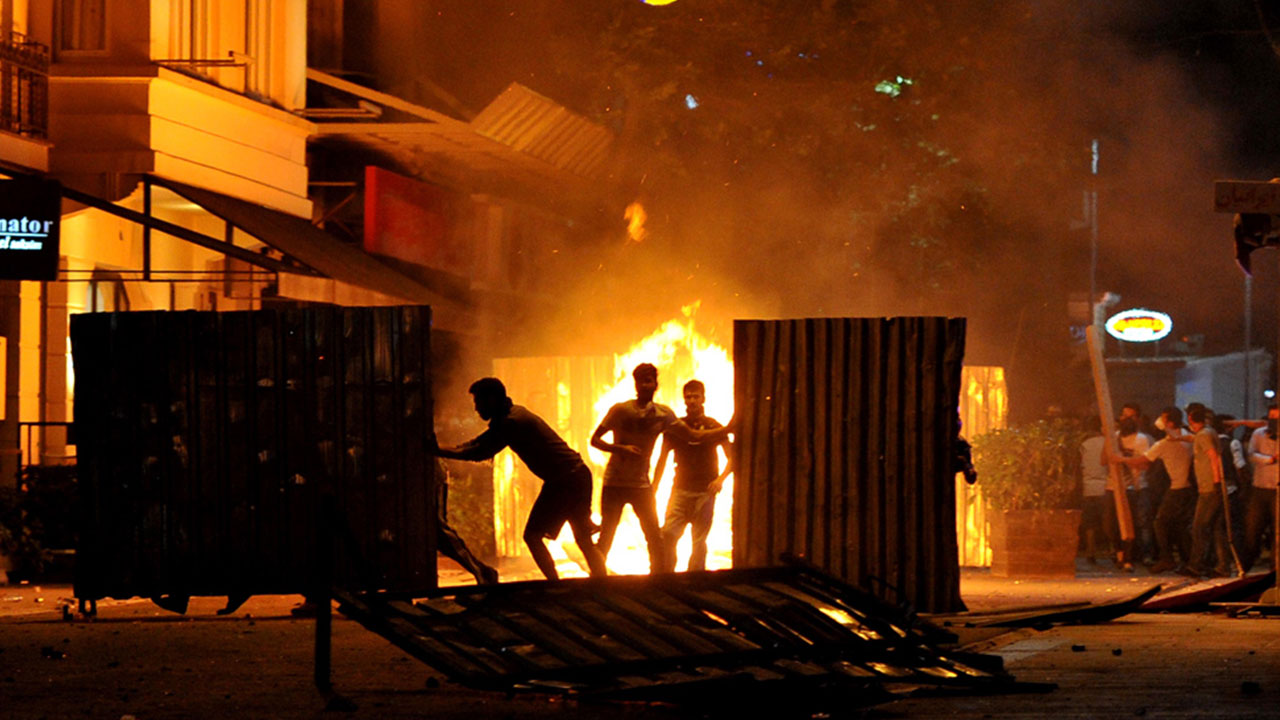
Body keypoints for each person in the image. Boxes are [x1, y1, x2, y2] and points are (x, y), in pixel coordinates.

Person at [433, 378, 607, 580]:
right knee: (583, 539)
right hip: (575, 476)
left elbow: (478, 452)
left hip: (565, 481)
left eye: (479, 401)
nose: (476, 408)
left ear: (492, 399)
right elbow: (476, 445)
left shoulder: (511, 422)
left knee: (533, 536)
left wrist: (436, 451)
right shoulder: (512, 415)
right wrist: (440, 450)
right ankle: (602, 586)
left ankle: (556, 585)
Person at [591, 363, 732, 573]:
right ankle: (597, 580)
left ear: (656, 384)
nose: (645, 385)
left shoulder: (663, 415)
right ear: (636, 385)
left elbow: (694, 436)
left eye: (649, 380)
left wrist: (726, 430)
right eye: (641, 381)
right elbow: (595, 440)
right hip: (616, 483)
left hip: (643, 485)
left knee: (657, 538)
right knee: (609, 535)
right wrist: (621, 449)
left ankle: (660, 581)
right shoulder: (621, 410)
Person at [653, 380, 732, 572]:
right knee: (669, 535)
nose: (692, 400)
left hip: (705, 493)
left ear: (703, 398)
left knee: (698, 542)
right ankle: (667, 578)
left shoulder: (713, 426)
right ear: (684, 400)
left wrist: (720, 480)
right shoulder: (676, 428)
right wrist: (653, 488)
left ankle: (694, 581)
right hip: (680, 490)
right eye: (688, 397)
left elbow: (733, 458)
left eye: (696, 396)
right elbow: (662, 459)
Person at [1111, 406, 1194, 574]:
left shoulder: (1164, 444)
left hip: (1178, 487)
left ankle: (1167, 559)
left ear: (1169, 422)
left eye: (1163, 419)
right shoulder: (1188, 437)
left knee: (1160, 522)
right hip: (1190, 488)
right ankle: (1187, 560)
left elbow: (1142, 461)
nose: (1159, 421)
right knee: (1180, 525)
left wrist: (1119, 459)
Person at [433, 459, 499, 585]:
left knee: (437, 529)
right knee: (437, 530)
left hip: (429, 476)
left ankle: (480, 570)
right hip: (423, 475)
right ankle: (482, 571)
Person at [1184, 407, 1231, 577]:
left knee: (1199, 527)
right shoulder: (1209, 432)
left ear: (1191, 420)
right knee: (1216, 528)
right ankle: (1223, 566)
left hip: (1209, 488)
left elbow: (1213, 457)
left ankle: (1195, 565)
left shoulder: (1203, 435)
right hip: (1212, 487)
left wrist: (1216, 481)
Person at [1102, 415, 1153, 570]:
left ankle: (1129, 557)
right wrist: (1107, 443)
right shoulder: (1114, 437)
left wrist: (1123, 459)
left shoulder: (1141, 439)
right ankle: (1119, 553)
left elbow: (1146, 464)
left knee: (1130, 523)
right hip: (1112, 486)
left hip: (1133, 486)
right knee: (1110, 524)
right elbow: (1103, 461)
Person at [1243, 404, 1279, 571]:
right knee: (1252, 527)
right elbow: (1251, 454)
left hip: (1277, 488)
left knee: (1276, 529)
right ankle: (1247, 563)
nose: (1274, 420)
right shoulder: (1259, 434)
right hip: (1260, 487)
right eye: (1272, 416)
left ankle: (1275, 566)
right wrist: (1269, 459)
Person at [1079, 416, 1109, 565]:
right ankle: (1114, 550)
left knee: (1089, 522)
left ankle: (1091, 551)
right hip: (1105, 486)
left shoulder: (1083, 445)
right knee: (1107, 520)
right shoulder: (1107, 443)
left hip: (1087, 487)